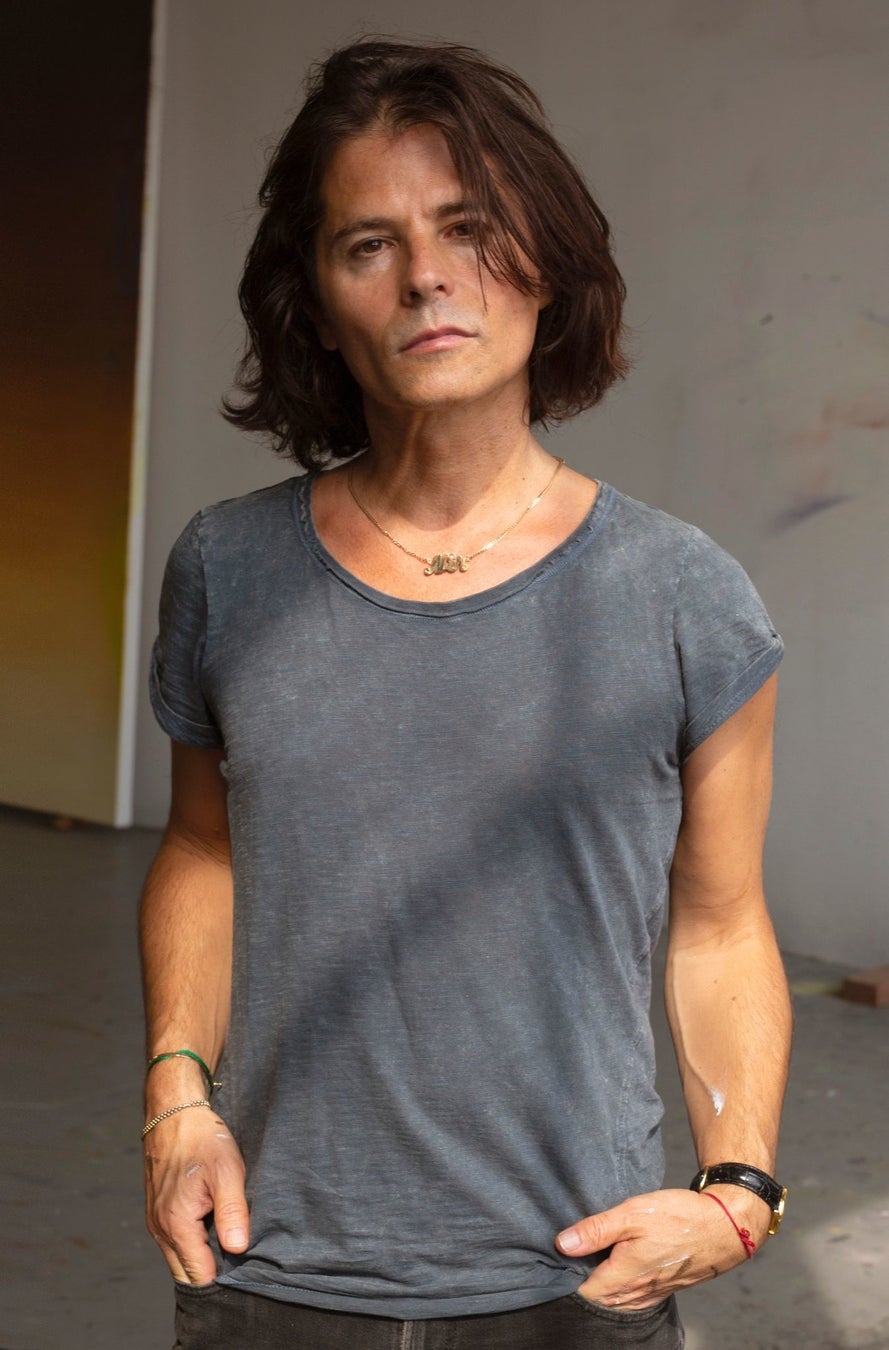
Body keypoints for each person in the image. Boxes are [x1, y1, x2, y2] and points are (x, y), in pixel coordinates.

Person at [141, 38, 791, 1350]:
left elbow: (720, 923)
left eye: (467, 226)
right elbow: (204, 852)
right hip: (274, 1267)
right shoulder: (229, 567)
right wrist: (175, 1099)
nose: (426, 275)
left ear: (544, 258)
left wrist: (738, 1195)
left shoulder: (681, 592)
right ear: (318, 302)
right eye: (367, 243)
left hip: (574, 1276)